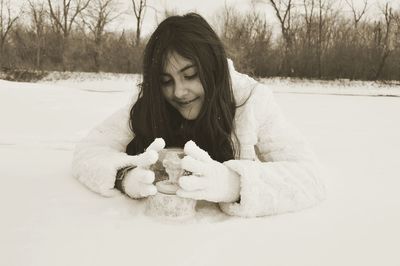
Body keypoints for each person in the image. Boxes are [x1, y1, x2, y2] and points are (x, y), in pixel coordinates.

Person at [71, 13, 325, 217]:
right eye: (166, 80)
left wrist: (232, 184)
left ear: (211, 68)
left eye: (190, 75)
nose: (179, 92)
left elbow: (310, 177)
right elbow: (88, 151)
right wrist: (124, 176)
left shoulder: (252, 101)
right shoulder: (150, 103)